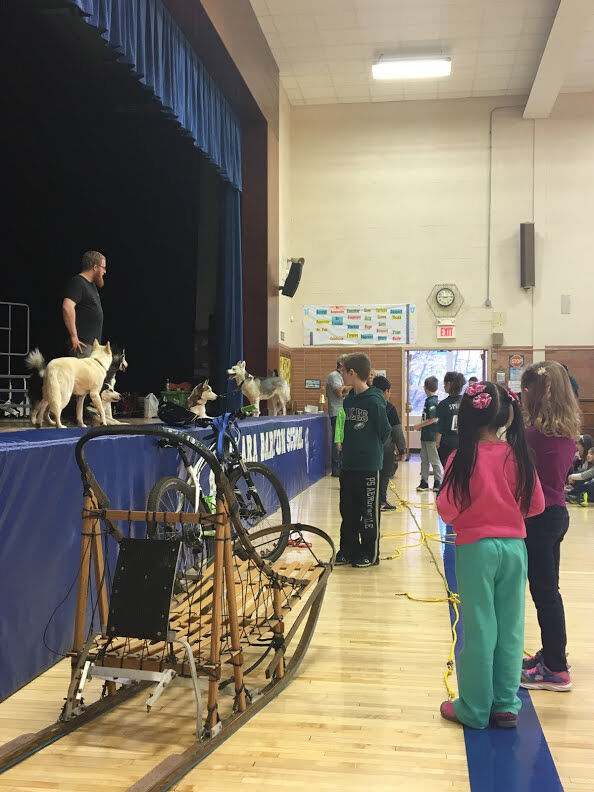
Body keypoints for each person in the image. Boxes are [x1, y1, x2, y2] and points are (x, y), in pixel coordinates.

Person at [437, 381, 544, 729]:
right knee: (511, 626)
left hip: (475, 549)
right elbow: (536, 504)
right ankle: (505, 704)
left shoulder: (461, 457)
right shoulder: (518, 454)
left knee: (481, 627)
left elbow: (447, 509)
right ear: (504, 416)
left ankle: (474, 707)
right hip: (514, 548)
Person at [520, 361, 581, 692]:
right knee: (549, 591)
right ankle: (553, 654)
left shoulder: (533, 435)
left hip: (540, 518)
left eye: (526, 390)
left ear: (540, 392)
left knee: (544, 593)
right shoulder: (566, 431)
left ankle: (556, 668)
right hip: (557, 514)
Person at [336, 353, 391, 568]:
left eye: (343, 370)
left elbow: (385, 432)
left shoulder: (375, 401)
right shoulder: (349, 399)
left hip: (368, 466)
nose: (341, 374)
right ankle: (348, 549)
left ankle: (370, 552)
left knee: (368, 512)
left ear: (353, 373)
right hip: (348, 465)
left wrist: (368, 449)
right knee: (348, 510)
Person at [372, 375, 406, 511]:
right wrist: (402, 450)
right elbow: (397, 430)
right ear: (386, 391)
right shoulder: (389, 408)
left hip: (368, 448)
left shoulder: (366, 403)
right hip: (385, 449)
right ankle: (382, 502)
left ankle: (370, 503)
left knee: (371, 477)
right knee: (384, 476)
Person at [62, 250, 106, 357]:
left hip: (92, 347)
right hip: (82, 346)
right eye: (103, 268)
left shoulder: (91, 285)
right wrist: (74, 336)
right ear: (95, 267)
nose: (104, 271)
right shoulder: (78, 282)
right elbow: (67, 307)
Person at [412, 375, 443, 492]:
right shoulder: (429, 401)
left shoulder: (432, 402)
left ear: (425, 387)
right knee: (424, 459)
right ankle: (424, 481)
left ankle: (437, 481)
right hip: (425, 436)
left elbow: (433, 419)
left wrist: (418, 426)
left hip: (431, 436)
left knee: (434, 460)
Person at [435, 371, 466, 467]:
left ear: (448, 384)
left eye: (444, 384)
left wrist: (437, 444)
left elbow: (439, 428)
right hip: (463, 443)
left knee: (448, 471)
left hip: (447, 444)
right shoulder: (466, 402)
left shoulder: (443, 404)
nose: (444, 386)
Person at [326, 355, 347, 476]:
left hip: (343, 411)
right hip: (336, 412)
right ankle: (337, 469)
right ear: (340, 363)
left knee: (342, 439)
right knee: (337, 440)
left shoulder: (342, 377)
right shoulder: (334, 376)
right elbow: (340, 392)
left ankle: (342, 466)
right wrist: (353, 386)